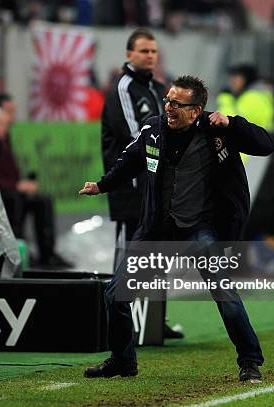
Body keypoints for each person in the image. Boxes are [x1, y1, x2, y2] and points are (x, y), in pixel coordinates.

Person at [79, 75, 273, 381]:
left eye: (177, 104)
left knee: (225, 295)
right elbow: (129, 161)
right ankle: (122, 360)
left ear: (196, 111)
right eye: (168, 101)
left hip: (199, 229)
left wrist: (233, 124)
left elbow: (265, 145)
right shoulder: (153, 129)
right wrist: (102, 185)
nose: (169, 107)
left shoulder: (217, 130)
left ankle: (249, 360)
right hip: (155, 229)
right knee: (115, 294)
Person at [101, 28, 182, 339]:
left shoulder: (159, 88)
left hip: (155, 183)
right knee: (130, 251)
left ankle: (154, 320)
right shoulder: (121, 88)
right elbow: (136, 136)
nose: (150, 55)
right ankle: (122, 322)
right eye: (144, 51)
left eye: (153, 51)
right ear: (129, 54)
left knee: (156, 248)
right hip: (130, 185)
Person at [0, 107, 71, 267]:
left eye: (6, 124)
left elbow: (12, 171)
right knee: (15, 200)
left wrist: (22, 185)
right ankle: (15, 250)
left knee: (43, 201)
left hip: (9, 190)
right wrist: (16, 186)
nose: (4, 128)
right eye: (0, 124)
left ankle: (47, 254)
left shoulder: (2, 141)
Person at [217, 64, 274, 131]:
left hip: (253, 140)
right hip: (258, 138)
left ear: (246, 79)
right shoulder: (259, 94)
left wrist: (226, 99)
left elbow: (230, 122)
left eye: (236, 78)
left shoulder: (253, 97)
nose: (232, 82)